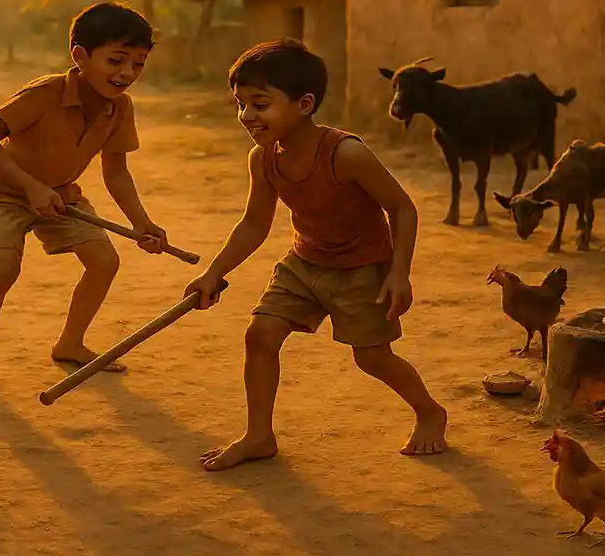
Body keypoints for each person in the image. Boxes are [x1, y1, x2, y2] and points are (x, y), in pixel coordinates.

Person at [185, 38, 447, 471]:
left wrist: (399, 273)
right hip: (304, 264)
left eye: (260, 104)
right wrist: (213, 272)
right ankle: (258, 436)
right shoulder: (262, 158)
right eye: (241, 104)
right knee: (260, 334)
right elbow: (254, 223)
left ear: (304, 104)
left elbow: (401, 207)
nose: (247, 116)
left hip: (362, 269)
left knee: (372, 358)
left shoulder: (347, 153)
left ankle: (430, 411)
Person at [0, 1, 167, 392]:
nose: (127, 74)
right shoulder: (45, 92)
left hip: (61, 196)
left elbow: (116, 173)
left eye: (137, 64)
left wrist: (142, 224)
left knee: (104, 261)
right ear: (80, 57)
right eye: (117, 60)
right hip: (2, 191)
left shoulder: (120, 108)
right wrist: (29, 186)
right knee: (2, 268)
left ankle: (70, 344)